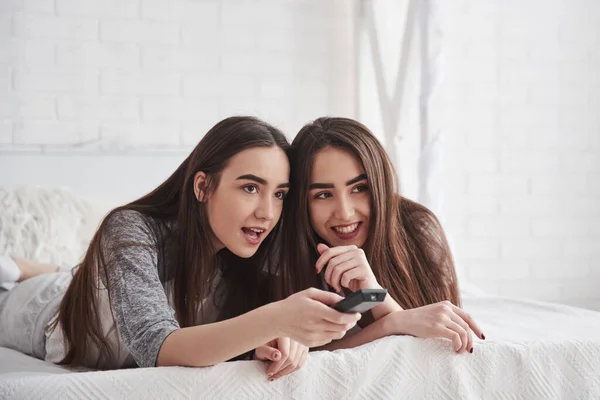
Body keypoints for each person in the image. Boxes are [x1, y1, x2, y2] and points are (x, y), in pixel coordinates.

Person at [0, 116, 360, 379]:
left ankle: (54, 267)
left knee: (89, 272)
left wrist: (277, 338)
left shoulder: (254, 250)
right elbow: (158, 347)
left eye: (279, 194)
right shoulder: (129, 228)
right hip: (47, 307)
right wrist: (277, 318)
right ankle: (21, 267)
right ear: (203, 187)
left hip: (108, 283)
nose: (268, 212)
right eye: (250, 187)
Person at [282, 117, 485, 354]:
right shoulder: (286, 252)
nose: (345, 213)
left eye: (359, 189)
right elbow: (307, 357)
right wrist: (392, 322)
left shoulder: (417, 229)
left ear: (379, 185)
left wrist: (377, 297)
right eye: (324, 195)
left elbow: (438, 343)